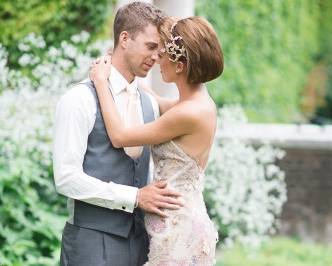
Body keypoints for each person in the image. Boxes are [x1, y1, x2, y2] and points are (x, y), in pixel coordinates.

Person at [53, 2, 184, 266]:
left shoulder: (149, 103)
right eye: (150, 46)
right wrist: (135, 197)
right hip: (90, 245)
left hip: (141, 245)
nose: (157, 57)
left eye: (160, 50)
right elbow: (66, 178)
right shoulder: (80, 99)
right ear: (124, 38)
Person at [89, 15, 224, 265]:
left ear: (180, 65)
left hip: (178, 233)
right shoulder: (195, 103)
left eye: (162, 54)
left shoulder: (188, 113)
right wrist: (126, 70)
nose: (156, 60)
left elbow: (119, 136)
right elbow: (158, 103)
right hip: (178, 222)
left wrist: (100, 83)